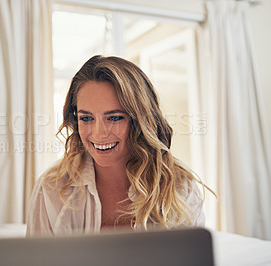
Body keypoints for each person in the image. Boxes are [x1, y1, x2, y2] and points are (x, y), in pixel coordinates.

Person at [27, 55, 207, 236]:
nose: (99, 133)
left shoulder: (181, 188)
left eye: (114, 118)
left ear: (140, 121)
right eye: (86, 118)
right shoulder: (51, 188)